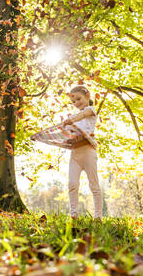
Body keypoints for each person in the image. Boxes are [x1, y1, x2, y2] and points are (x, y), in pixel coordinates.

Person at [61, 85, 102, 219]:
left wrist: (71, 120)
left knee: (94, 185)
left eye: (78, 99)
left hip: (88, 153)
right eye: (73, 102)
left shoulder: (90, 110)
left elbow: (83, 114)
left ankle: (98, 217)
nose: (76, 103)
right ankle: (73, 215)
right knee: (72, 184)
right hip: (75, 154)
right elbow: (70, 133)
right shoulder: (74, 117)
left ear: (87, 96)